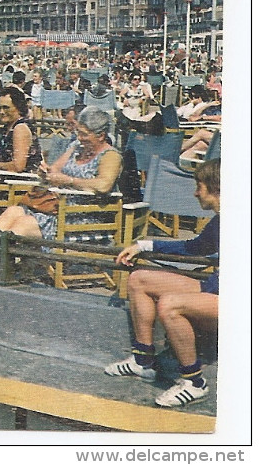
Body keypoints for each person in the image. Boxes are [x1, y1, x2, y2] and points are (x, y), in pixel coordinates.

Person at [104, 159, 220, 408]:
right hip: (216, 290)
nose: (195, 192)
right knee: (139, 279)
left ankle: (194, 383)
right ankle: (143, 362)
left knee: (170, 305)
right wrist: (145, 245)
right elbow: (195, 247)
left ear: (216, 189)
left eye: (199, 186)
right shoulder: (223, 220)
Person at [0, 107, 122, 272]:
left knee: (24, 223)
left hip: (83, 219)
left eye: (84, 134)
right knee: (14, 211)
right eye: (78, 132)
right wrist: (46, 172)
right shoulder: (77, 148)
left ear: (101, 135)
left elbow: (104, 184)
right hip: (59, 211)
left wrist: (68, 180)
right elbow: (55, 169)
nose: (79, 137)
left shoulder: (110, 155)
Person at [0, 86, 42, 174]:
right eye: (0, 108)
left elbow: (18, 166)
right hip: (6, 174)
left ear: (18, 108)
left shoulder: (20, 129)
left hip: (19, 180)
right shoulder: (9, 128)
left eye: (6, 108)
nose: (1, 112)